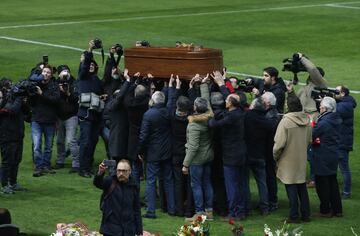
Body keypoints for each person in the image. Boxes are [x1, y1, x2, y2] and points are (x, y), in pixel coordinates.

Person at [287, 52, 328, 188]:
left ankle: (314, 179)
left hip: (313, 120)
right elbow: (294, 104)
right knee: (301, 152)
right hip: (301, 120)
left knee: (312, 153)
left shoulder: (320, 85)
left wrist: (302, 58)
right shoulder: (303, 89)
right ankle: (301, 177)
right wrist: (290, 91)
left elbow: (313, 69)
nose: (309, 75)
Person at [273, 93, 312, 223]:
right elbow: (309, 141)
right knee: (301, 187)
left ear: (288, 106)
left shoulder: (285, 121)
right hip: (301, 158)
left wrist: (276, 157)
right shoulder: (307, 120)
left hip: (287, 159)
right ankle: (306, 214)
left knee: (291, 188)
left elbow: (278, 144)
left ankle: (294, 216)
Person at [208, 93, 247, 220]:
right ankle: (241, 211)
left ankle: (234, 212)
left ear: (230, 104)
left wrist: (213, 116)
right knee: (240, 184)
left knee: (232, 185)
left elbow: (213, 124)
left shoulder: (231, 117)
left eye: (226, 100)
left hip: (231, 155)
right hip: (241, 153)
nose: (224, 101)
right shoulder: (240, 112)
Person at [138, 91, 175, 218]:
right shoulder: (168, 112)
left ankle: (151, 210)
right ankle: (171, 208)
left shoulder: (148, 115)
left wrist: (140, 151)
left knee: (151, 181)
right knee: (168, 180)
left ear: (153, 101)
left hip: (153, 152)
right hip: (167, 151)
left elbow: (143, 136)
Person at [182, 81, 214, 221]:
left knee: (196, 185)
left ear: (195, 108)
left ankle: (200, 213)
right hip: (208, 156)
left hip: (197, 159)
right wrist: (203, 85)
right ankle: (209, 212)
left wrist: (185, 164)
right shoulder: (209, 115)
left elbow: (193, 146)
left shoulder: (194, 125)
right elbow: (206, 101)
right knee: (207, 183)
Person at [167, 75, 194, 217]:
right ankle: (189, 210)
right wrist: (190, 89)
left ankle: (178, 209)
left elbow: (171, 103)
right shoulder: (192, 119)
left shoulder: (172, 116)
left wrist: (176, 87)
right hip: (189, 153)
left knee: (178, 182)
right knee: (190, 182)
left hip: (176, 153)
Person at [77, 40, 105, 178]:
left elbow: (103, 91)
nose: (91, 66)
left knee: (92, 142)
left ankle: (87, 166)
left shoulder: (96, 80)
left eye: (94, 64)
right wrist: (90, 50)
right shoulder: (83, 77)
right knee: (86, 142)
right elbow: (85, 65)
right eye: (90, 65)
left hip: (95, 116)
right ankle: (83, 169)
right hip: (86, 115)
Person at [93, 159, 142, 236]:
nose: (121, 173)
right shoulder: (110, 181)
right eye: (119, 170)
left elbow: (136, 209)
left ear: (129, 171)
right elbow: (98, 183)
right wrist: (100, 172)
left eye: (124, 171)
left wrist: (139, 231)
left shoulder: (134, 185)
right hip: (110, 229)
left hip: (128, 230)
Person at [312, 97, 343, 217]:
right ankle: (337, 209)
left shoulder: (324, 122)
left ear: (325, 108)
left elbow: (312, 135)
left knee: (322, 184)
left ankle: (325, 210)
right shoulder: (336, 119)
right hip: (332, 154)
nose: (319, 107)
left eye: (321, 106)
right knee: (332, 182)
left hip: (322, 155)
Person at [29, 64, 60, 177]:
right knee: (37, 145)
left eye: (48, 72)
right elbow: (30, 100)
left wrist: (42, 94)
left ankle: (46, 165)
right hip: (36, 119)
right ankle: (38, 166)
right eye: (44, 72)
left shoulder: (54, 86)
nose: (45, 74)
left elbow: (55, 100)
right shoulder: (34, 85)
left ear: (51, 75)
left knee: (48, 146)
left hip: (50, 120)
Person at [0, 79, 29, 193]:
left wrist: (24, 101)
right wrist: (19, 98)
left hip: (18, 133)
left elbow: (27, 113)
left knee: (16, 160)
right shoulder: (3, 101)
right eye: (9, 86)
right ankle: (4, 185)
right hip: (6, 135)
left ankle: (13, 182)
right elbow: (12, 110)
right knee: (7, 161)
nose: (11, 88)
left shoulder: (16, 98)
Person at [54, 65, 80, 173]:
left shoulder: (74, 83)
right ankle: (60, 161)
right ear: (59, 74)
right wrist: (59, 90)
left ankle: (76, 163)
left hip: (71, 116)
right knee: (60, 141)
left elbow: (76, 98)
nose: (65, 74)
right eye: (63, 72)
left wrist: (67, 92)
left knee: (71, 141)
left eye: (67, 71)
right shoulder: (55, 84)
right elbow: (53, 98)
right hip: (59, 116)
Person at [335, 85, 357, 199]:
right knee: (343, 167)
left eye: (336, 91)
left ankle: (346, 192)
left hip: (341, 141)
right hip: (344, 139)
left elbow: (333, 112)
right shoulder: (348, 103)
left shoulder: (343, 106)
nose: (334, 93)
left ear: (343, 93)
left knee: (344, 168)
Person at [262, 92, 282, 211]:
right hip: (268, 149)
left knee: (269, 176)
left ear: (268, 103)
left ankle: (272, 201)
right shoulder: (272, 113)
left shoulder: (271, 115)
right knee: (268, 176)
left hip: (268, 150)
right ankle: (270, 200)